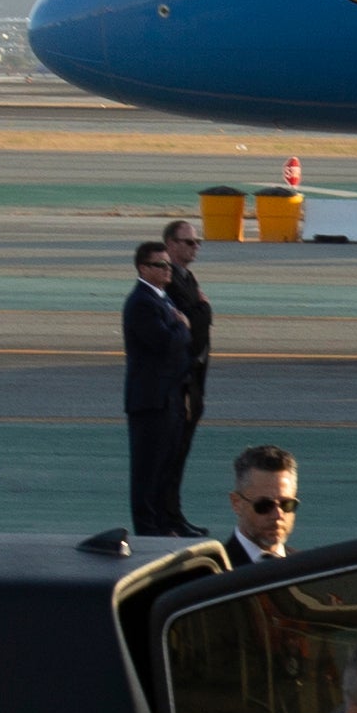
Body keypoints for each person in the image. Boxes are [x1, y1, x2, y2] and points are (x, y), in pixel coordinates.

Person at [121, 242, 192, 540]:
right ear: (143, 269)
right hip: (150, 400)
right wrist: (181, 327)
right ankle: (149, 531)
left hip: (167, 398)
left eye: (168, 265)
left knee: (163, 467)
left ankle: (164, 525)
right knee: (147, 471)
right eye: (160, 265)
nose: (168, 270)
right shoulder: (142, 302)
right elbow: (163, 343)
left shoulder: (161, 299)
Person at [161, 219, 214, 535]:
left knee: (179, 456)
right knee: (170, 455)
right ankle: (167, 519)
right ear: (171, 245)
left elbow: (197, 320)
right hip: (182, 382)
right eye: (189, 242)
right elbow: (194, 325)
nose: (195, 247)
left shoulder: (187, 277)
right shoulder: (170, 282)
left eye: (197, 242)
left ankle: (175, 516)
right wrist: (203, 309)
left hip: (195, 380)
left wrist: (200, 313)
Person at [228, 445, 297, 563]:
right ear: (237, 503)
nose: (277, 515)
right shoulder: (212, 570)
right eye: (265, 505)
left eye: (286, 504)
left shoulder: (307, 569)